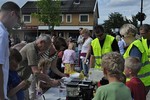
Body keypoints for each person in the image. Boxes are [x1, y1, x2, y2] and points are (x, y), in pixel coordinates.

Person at [17, 34, 61, 99]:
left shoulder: (35, 50)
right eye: (46, 47)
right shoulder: (31, 49)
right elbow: (36, 72)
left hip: (22, 79)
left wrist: (48, 80)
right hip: (18, 79)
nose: (46, 50)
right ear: (41, 42)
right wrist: (51, 81)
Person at [120, 24, 150, 94]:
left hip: (137, 82)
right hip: (141, 82)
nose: (122, 38)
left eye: (123, 36)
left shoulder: (135, 47)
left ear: (130, 34)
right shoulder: (136, 44)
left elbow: (133, 67)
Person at [0, 1, 21, 99]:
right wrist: (2, 96)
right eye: (18, 18)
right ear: (12, 14)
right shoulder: (2, 34)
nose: (17, 22)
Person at [139, 24, 150, 94]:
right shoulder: (142, 40)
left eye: (143, 34)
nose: (141, 35)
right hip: (147, 71)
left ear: (149, 32)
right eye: (140, 34)